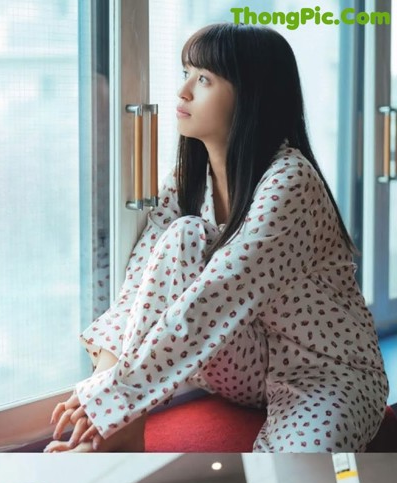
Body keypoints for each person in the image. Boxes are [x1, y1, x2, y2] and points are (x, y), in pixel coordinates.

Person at [46, 23, 388, 454]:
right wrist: (107, 394)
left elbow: (218, 295)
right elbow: (139, 288)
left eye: (203, 79)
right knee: (182, 234)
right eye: (186, 73)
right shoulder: (191, 178)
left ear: (250, 97)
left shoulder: (290, 181)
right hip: (246, 364)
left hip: (326, 373)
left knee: (290, 474)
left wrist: (112, 395)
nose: (183, 91)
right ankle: (122, 436)